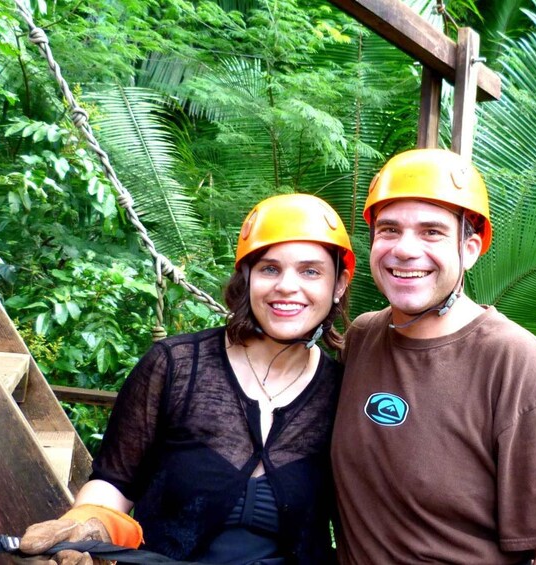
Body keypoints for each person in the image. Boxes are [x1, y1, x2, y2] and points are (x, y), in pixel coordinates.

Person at [18, 193, 354, 564]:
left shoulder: (343, 390)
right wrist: (87, 525)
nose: (287, 286)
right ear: (247, 278)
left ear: (338, 284)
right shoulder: (177, 367)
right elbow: (114, 481)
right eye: (269, 269)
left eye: (311, 271)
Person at [331, 148, 536, 564]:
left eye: (432, 232)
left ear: (470, 249)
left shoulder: (519, 367)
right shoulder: (364, 337)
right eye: (389, 230)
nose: (404, 250)